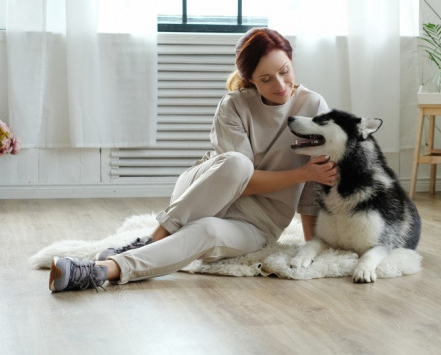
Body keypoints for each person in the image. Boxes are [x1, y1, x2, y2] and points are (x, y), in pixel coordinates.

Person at [49, 28, 337, 292]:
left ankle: (101, 271)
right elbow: (242, 182)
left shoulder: (314, 107)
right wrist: (302, 175)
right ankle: (154, 238)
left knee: (209, 231)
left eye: (284, 71)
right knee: (238, 163)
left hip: (257, 224)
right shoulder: (234, 104)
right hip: (206, 191)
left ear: (291, 60)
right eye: (265, 79)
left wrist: (311, 244)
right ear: (250, 79)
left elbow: (317, 181)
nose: (280, 84)